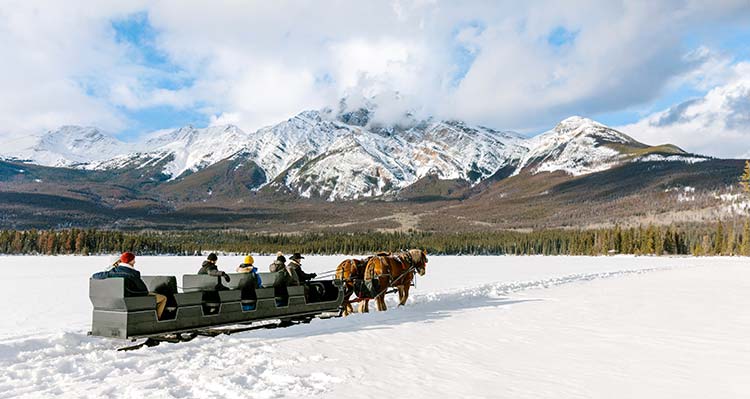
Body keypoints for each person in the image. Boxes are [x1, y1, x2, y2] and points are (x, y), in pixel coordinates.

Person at [91, 252, 167, 320]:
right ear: (129, 261)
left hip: (119, 299)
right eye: (133, 260)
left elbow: (95, 275)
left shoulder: (113, 271)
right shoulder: (134, 273)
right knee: (163, 298)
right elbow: (144, 290)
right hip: (133, 298)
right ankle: (156, 320)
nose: (135, 261)